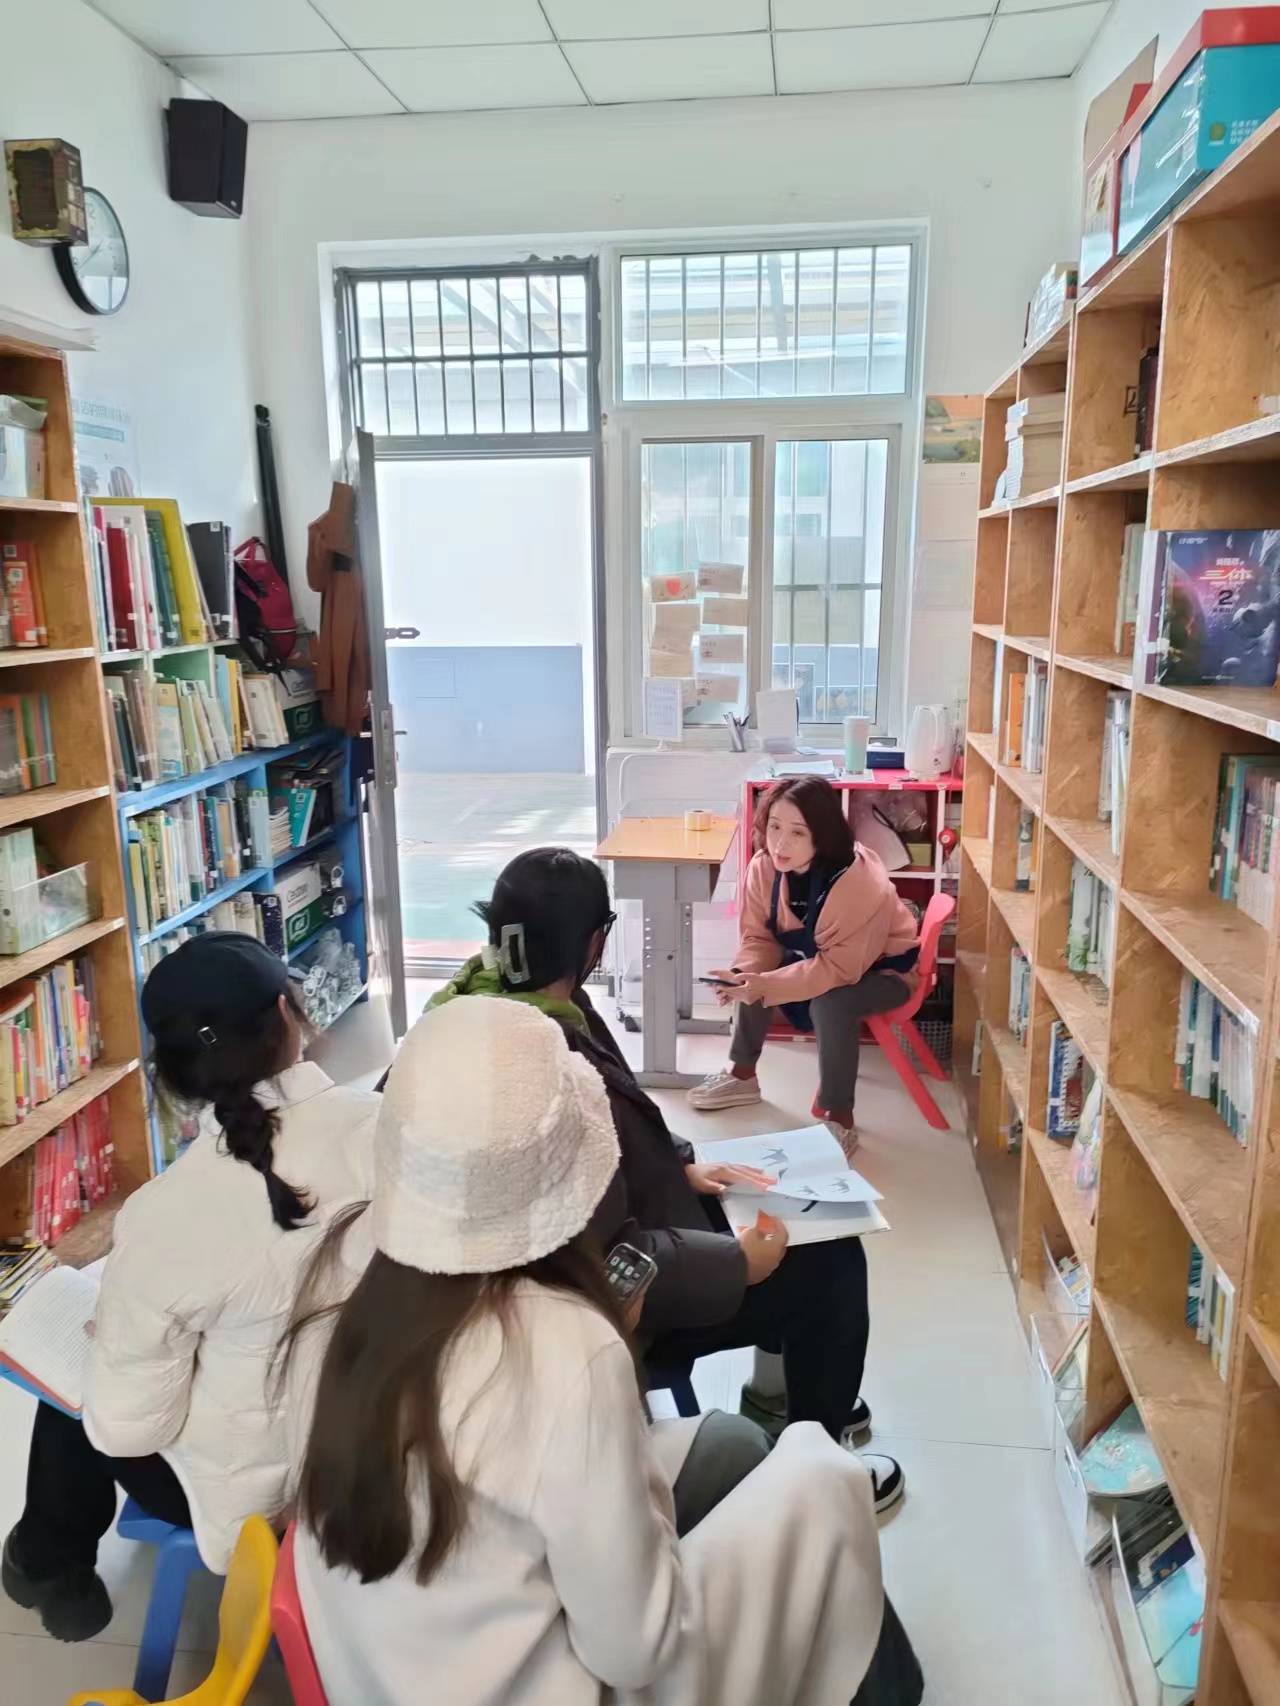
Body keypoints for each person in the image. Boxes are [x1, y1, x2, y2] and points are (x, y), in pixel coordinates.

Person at [283, 996, 922, 1706]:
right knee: (820, 1471)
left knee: (734, 1445)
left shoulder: (343, 1279)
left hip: (403, 1667)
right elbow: (634, 1649)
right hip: (556, 1683)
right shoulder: (566, 1345)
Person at [430, 847, 904, 1513]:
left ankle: (790, 1400)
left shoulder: (489, 1007)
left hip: (603, 1250)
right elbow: (606, 1263)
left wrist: (680, 1161)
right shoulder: (550, 1062)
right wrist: (737, 1264)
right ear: (595, 943)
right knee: (830, 1262)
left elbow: (624, 1115)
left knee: (769, 1212)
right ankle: (817, 1480)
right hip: (606, 1310)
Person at [1, 933, 379, 1641]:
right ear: (287, 1014)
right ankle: (44, 1560)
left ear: (168, 1071)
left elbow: (127, 1429)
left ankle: (47, 1564)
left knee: (82, 1386)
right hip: (384, 1449)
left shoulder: (164, 1214)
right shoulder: (386, 1128)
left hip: (270, 1496)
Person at [688, 776, 920, 1150]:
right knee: (754, 974)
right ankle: (742, 1077)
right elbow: (759, 939)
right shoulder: (764, 867)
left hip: (884, 971)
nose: (780, 843)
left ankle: (839, 1117)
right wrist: (741, 976)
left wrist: (766, 986)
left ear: (822, 835)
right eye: (774, 827)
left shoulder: (858, 883)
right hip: (820, 959)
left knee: (831, 1003)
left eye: (797, 832)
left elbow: (840, 969)